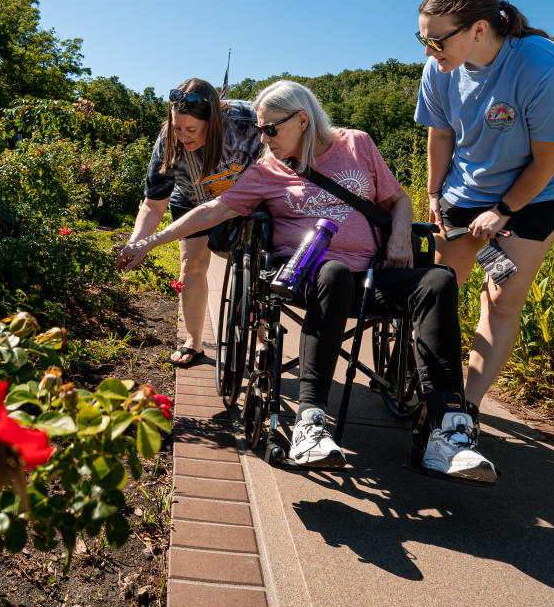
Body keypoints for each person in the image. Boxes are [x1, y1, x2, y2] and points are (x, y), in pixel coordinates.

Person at [118, 80, 496, 482]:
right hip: (311, 276)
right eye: (259, 130)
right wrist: (148, 241)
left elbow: (398, 200)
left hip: (372, 275)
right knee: (334, 272)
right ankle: (310, 423)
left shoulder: (357, 143)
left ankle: (447, 430)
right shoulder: (267, 168)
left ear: (302, 120)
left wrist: (400, 235)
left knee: (439, 279)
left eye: (270, 129)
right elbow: (213, 210)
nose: (263, 139)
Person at [415, 0, 554, 406]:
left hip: (534, 198)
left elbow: (546, 161)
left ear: (479, 29)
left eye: (436, 40)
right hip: (466, 190)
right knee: (439, 291)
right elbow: (441, 134)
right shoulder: (439, 69)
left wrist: (503, 211)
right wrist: (433, 193)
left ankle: (464, 408)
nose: (429, 50)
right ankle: (428, 387)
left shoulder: (545, 69)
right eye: (422, 39)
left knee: (501, 298)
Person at [128, 78, 261, 366]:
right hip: (192, 199)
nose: (182, 137)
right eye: (177, 128)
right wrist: (136, 243)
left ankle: (261, 338)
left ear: (213, 123)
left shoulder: (249, 122)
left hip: (245, 197)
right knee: (191, 264)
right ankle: (193, 341)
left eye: (191, 130)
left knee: (257, 269)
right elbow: (153, 204)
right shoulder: (168, 142)